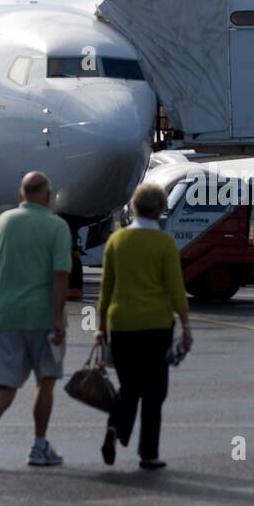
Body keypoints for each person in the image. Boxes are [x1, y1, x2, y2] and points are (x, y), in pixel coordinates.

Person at [0, 171, 71, 468]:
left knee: (6, 383)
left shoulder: (2, 222)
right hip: (42, 316)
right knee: (46, 381)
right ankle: (39, 447)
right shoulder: (57, 226)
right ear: (48, 196)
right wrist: (57, 317)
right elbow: (60, 274)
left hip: (5, 313)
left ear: (20, 195)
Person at [97, 183, 192, 469]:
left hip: (122, 324)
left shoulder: (116, 241)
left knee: (128, 387)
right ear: (161, 209)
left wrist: (100, 329)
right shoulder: (164, 244)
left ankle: (114, 429)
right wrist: (186, 326)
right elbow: (176, 289)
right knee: (154, 393)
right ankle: (148, 454)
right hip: (155, 325)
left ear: (134, 207)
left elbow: (106, 290)